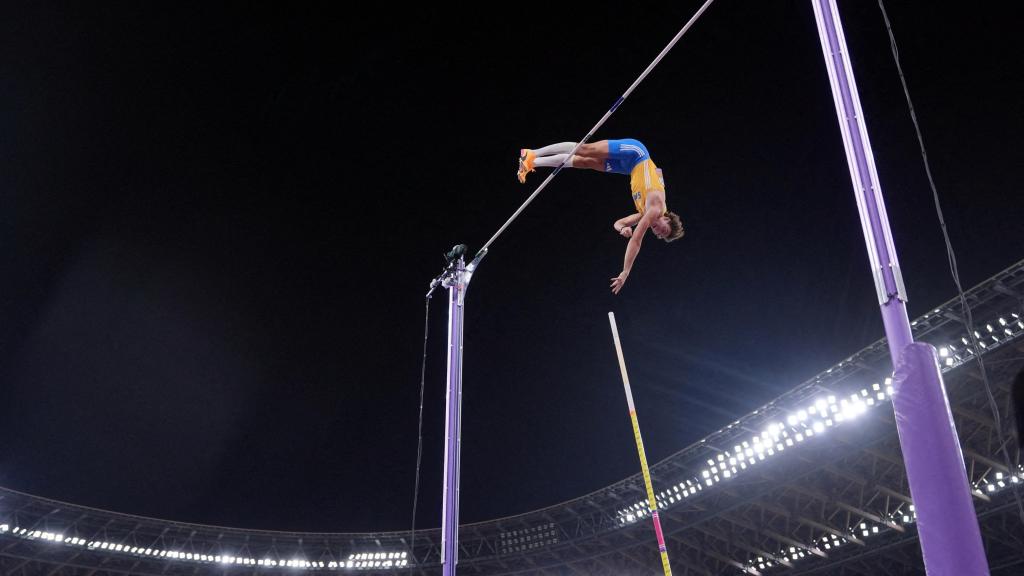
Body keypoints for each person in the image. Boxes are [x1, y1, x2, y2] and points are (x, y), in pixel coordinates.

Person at [517, 139, 684, 294]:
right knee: (586, 150)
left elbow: (619, 223)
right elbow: (636, 241)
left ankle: (533, 162)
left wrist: (623, 228)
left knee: (585, 162)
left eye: (658, 235)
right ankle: (533, 153)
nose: (656, 231)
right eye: (662, 228)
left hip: (631, 168)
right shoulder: (655, 209)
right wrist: (625, 272)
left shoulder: (646, 214)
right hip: (636, 153)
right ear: (666, 218)